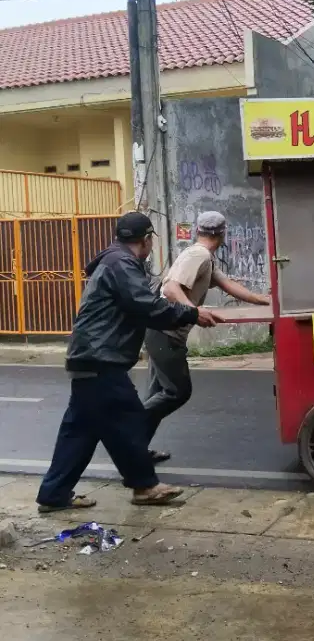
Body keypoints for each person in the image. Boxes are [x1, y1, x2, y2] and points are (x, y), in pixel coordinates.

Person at [36, 211, 218, 513]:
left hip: (88, 357)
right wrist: (190, 313)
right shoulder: (122, 264)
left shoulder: (113, 260)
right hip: (100, 358)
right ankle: (145, 485)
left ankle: (53, 494)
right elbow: (145, 305)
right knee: (129, 419)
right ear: (146, 240)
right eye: (150, 240)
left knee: (79, 432)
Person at [143, 211, 270, 459]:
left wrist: (265, 300)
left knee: (156, 396)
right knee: (176, 392)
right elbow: (170, 287)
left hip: (160, 331)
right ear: (222, 234)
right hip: (164, 333)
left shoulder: (205, 258)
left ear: (198, 231)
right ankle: (125, 433)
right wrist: (193, 312)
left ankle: (134, 450)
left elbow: (230, 285)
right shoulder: (198, 255)